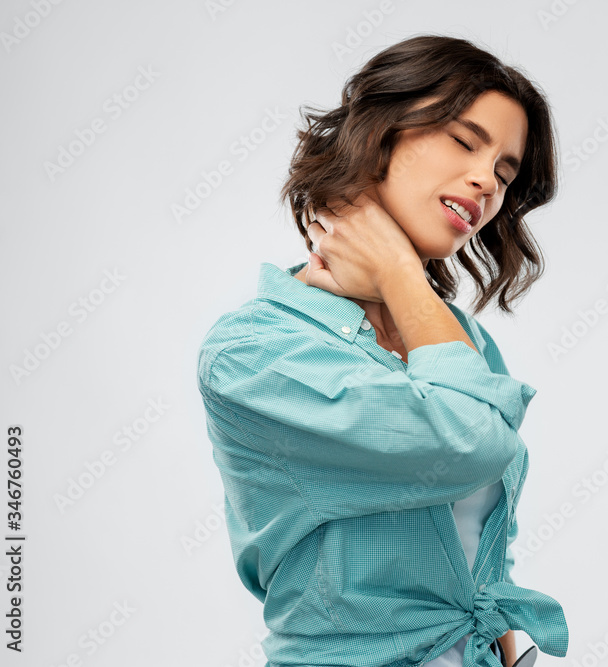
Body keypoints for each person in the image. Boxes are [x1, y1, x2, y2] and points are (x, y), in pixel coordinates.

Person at [196, 34, 567, 667]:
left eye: (504, 173)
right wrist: (398, 268)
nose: (486, 181)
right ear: (379, 134)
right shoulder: (251, 353)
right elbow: (470, 445)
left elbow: (482, 550)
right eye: (464, 140)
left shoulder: (462, 338)